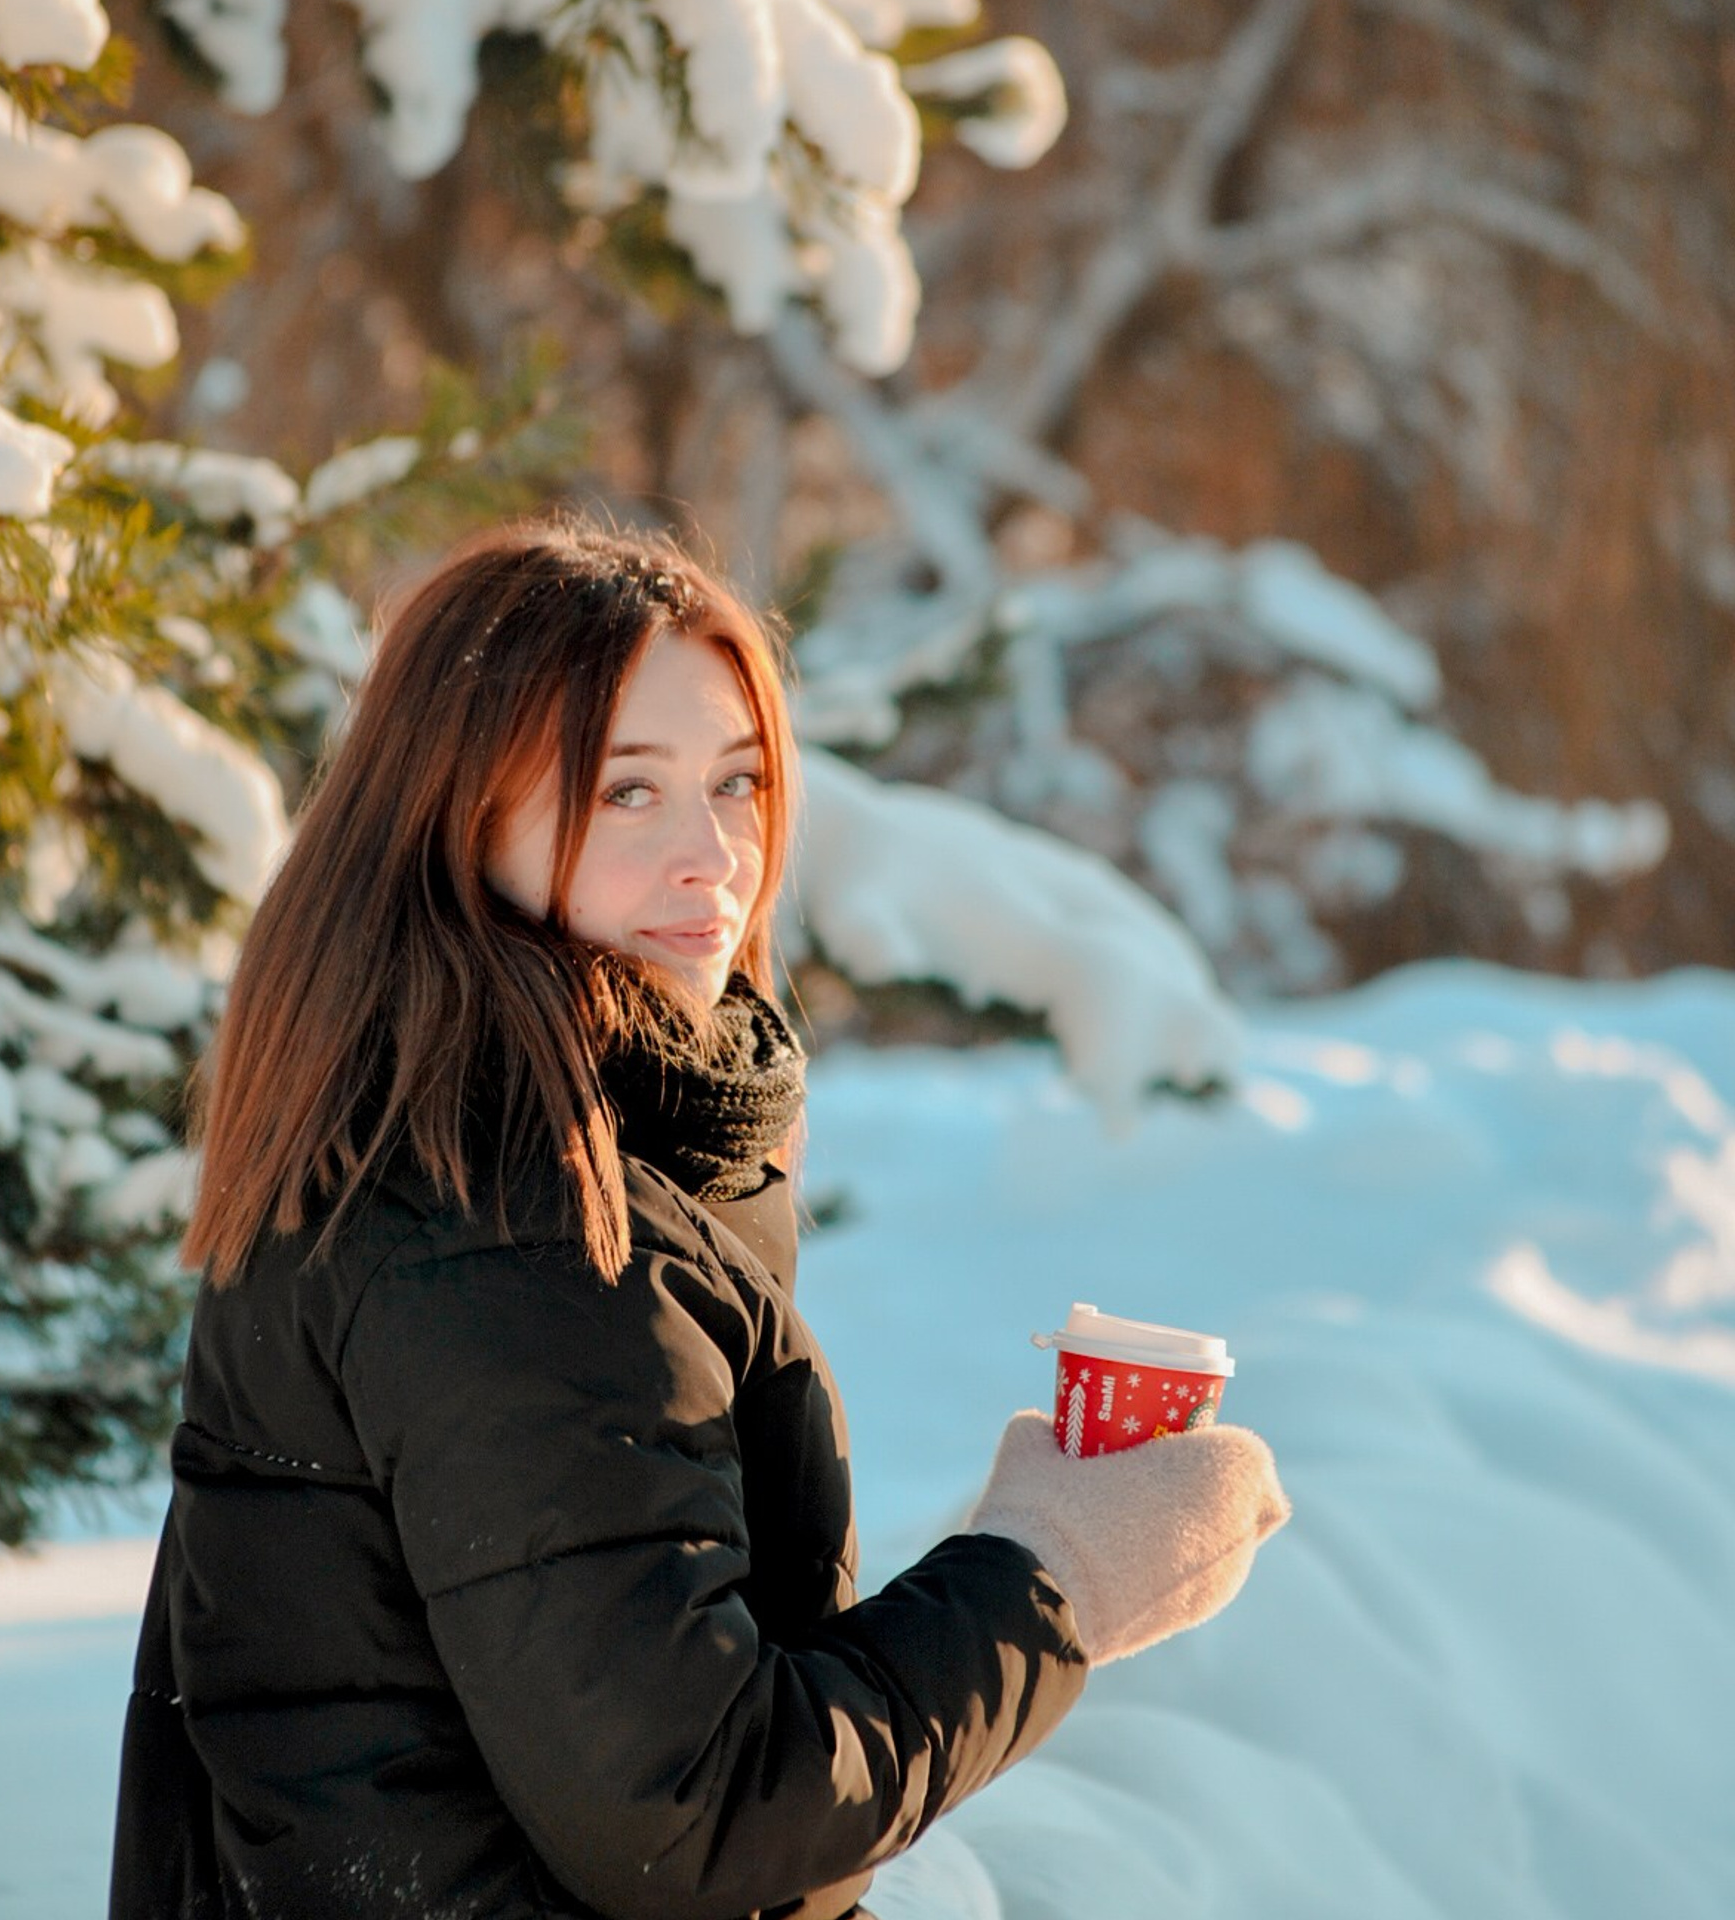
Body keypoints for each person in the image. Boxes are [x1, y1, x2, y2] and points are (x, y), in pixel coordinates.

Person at [108, 517, 1289, 1920]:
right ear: (458, 816)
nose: (713, 855)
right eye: (625, 793)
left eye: (737, 784)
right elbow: (704, 1810)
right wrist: (1049, 1576)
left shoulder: (477, 1137)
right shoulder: (510, 1225)